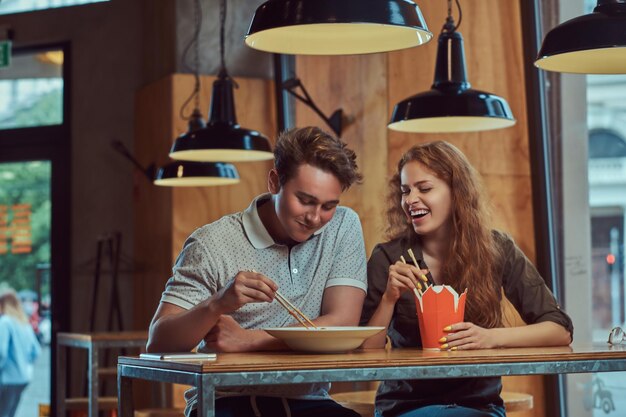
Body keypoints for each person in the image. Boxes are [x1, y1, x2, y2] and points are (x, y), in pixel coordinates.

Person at [147, 126, 367, 417]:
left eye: (328, 206)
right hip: (226, 399)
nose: (315, 218)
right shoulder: (211, 242)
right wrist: (216, 304)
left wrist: (249, 340)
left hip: (309, 401)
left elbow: (342, 323)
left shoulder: (342, 225)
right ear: (275, 182)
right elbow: (158, 342)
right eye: (305, 200)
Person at [360, 141, 573, 417]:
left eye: (424, 188)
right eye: (405, 190)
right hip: (406, 406)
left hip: (479, 405)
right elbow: (366, 351)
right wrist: (389, 298)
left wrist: (490, 338)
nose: (410, 199)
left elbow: (559, 330)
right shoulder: (389, 257)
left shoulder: (497, 248)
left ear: (456, 192)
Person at [0, 288, 41, 417]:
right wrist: (22, 361)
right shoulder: (24, 323)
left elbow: (1, 352)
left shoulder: (5, 322)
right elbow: (36, 351)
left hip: (7, 378)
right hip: (23, 378)